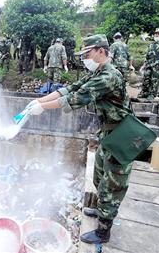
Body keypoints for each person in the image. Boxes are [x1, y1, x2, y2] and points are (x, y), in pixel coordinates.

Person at [25, 34, 133, 244]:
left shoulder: (108, 76)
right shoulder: (98, 71)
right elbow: (70, 88)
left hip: (121, 135)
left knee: (111, 185)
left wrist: (42, 108)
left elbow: (75, 98)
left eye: (87, 53)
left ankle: (103, 232)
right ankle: (101, 212)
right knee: (100, 176)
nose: (84, 58)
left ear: (101, 51)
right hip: (108, 133)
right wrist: (38, 100)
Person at [139, 27, 159, 99]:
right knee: (146, 78)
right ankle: (145, 93)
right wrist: (143, 65)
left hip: (158, 64)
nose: (156, 34)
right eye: (156, 33)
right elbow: (147, 55)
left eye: (158, 33)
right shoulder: (151, 44)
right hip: (149, 64)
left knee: (154, 80)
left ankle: (152, 95)